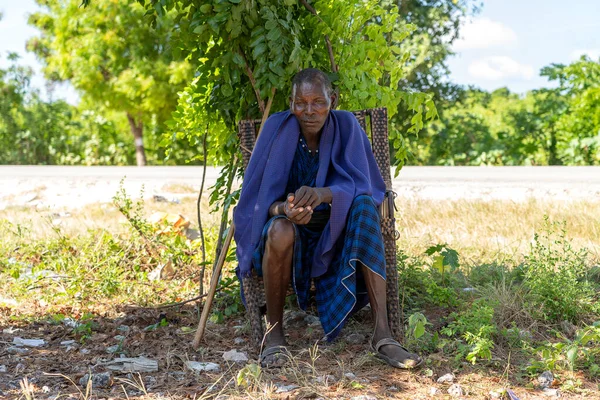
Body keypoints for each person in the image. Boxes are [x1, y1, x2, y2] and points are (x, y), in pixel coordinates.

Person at [233, 68, 422, 369]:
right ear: (291, 102)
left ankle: (383, 335)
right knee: (279, 230)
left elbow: (369, 187)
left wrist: (323, 194)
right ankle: (275, 334)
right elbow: (257, 202)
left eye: (318, 102)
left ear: (332, 99)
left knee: (363, 206)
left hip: (339, 233)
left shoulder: (347, 126)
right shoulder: (276, 129)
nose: (309, 111)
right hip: (291, 232)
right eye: (301, 102)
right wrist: (286, 210)